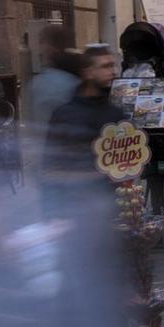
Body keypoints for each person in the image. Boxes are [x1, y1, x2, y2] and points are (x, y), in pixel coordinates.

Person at [43, 45, 122, 209]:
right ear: (88, 72)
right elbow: (51, 167)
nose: (113, 72)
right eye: (105, 66)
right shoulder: (65, 115)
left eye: (113, 65)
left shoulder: (116, 114)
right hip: (73, 207)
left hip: (109, 208)